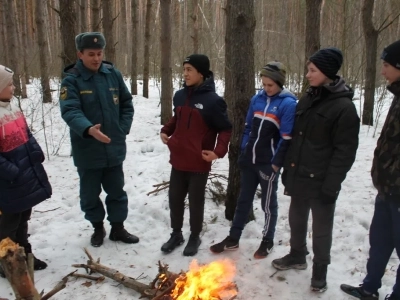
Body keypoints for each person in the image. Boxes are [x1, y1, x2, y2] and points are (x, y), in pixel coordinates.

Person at [271, 47, 360, 292]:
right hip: (299, 174)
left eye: (312, 70)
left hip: (322, 180)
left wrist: (331, 185)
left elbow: (345, 152)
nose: (308, 75)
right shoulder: (308, 97)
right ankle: (297, 255)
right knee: (296, 219)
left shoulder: (344, 108)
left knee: (321, 229)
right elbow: (296, 137)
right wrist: (288, 169)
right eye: (308, 70)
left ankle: (320, 269)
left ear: (327, 72)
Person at [209, 62, 297, 259]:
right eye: (263, 84)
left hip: (268, 163)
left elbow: (287, 138)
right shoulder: (257, 99)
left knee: (268, 204)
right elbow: (248, 128)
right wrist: (244, 150)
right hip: (250, 160)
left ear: (279, 83)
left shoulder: (288, 104)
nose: (266, 89)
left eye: (270, 85)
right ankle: (233, 238)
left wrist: (275, 164)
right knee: (243, 201)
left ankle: (267, 240)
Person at [59, 32, 137, 247]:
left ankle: (118, 228)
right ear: (80, 54)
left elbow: (126, 104)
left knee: (117, 191)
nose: (96, 58)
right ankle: (97, 227)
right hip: (88, 150)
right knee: (90, 195)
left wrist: (122, 128)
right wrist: (88, 129)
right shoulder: (72, 80)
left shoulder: (113, 74)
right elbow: (70, 110)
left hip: (114, 148)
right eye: (91, 54)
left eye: (99, 53)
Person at [340, 40, 400, 300]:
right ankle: (369, 288)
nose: (383, 71)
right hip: (386, 189)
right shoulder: (397, 95)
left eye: (386, 65)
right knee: (379, 243)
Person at [160, 54, 232, 256]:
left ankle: (194, 235)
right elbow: (177, 118)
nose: (185, 74)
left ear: (201, 73)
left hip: (199, 161)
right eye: (184, 69)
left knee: (195, 200)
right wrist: (166, 130)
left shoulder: (213, 101)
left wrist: (218, 152)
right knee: (175, 198)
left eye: (189, 70)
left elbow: (225, 129)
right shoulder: (180, 96)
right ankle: (176, 234)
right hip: (178, 158)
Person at [0, 65, 52, 277]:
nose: (13, 88)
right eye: (9, 84)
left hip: (24, 176)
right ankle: (6, 261)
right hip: (8, 182)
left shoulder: (11, 107)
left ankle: (24, 254)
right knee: (8, 224)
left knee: (23, 218)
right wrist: (11, 171)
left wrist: (36, 151)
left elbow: (26, 133)